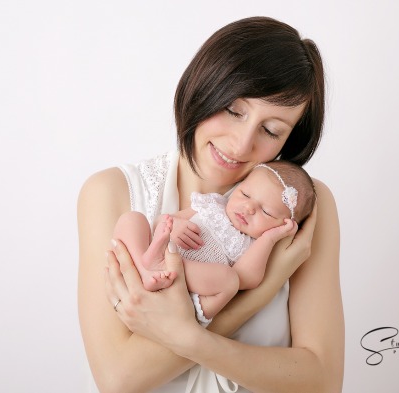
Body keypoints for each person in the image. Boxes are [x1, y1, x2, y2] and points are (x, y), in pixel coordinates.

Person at [78, 16, 344, 393]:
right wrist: (260, 292)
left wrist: (189, 337)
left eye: (271, 131)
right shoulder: (112, 192)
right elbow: (118, 377)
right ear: (204, 85)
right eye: (234, 110)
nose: (240, 144)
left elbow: (323, 381)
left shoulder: (300, 207)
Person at [113, 161, 317, 326]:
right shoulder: (213, 205)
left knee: (229, 280)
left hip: (181, 292)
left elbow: (247, 279)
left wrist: (270, 238)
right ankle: (145, 266)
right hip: (155, 259)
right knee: (132, 219)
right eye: (245, 194)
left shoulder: (252, 243)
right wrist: (174, 226)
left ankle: (158, 266)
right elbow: (163, 221)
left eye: (266, 212)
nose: (248, 208)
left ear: (283, 225)